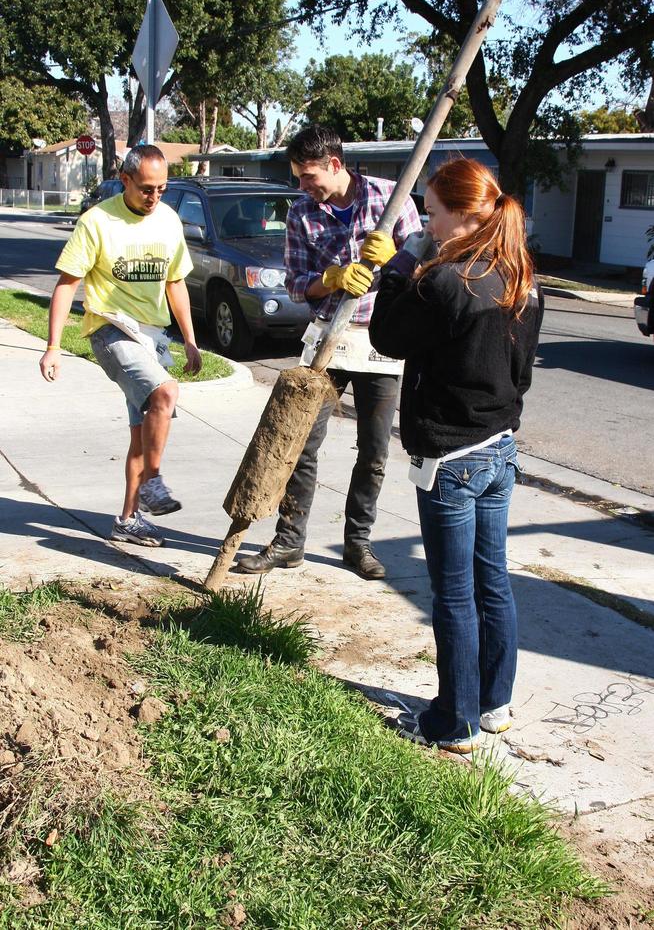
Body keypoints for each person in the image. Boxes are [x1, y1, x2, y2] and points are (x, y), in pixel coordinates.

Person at [369, 158, 544, 753]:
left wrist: (395, 265)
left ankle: (454, 720)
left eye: (434, 211)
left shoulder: (445, 281)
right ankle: (494, 704)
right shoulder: (519, 275)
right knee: (491, 580)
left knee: (454, 592)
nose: (427, 220)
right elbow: (521, 371)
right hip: (499, 448)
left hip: (451, 457)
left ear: (465, 215)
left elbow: (387, 337)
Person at [237, 124, 421, 580]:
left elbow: (425, 267)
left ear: (335, 165)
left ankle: (358, 544)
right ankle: (289, 541)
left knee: (375, 450)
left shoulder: (390, 199)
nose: (303, 187)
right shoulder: (302, 214)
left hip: (380, 342)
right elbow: (298, 285)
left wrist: (396, 255)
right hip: (327, 339)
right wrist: (333, 278)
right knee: (301, 443)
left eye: (308, 177)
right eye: (298, 179)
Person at [39, 144, 202, 548]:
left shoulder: (167, 220)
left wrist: (192, 340)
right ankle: (153, 484)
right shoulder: (97, 221)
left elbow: (175, 282)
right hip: (110, 330)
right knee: (165, 392)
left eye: (162, 188)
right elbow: (67, 285)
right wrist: (53, 346)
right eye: (147, 188)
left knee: (142, 434)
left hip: (153, 335)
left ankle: (127, 520)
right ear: (125, 179)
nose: (154, 197)